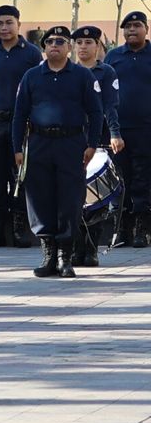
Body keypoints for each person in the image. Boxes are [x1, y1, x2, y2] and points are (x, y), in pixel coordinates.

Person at [14, 26, 103, 278]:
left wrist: (92, 144)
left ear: (68, 47)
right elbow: (19, 114)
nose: (55, 44)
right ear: (44, 47)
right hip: (39, 143)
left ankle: (65, 255)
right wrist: (17, 148)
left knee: (70, 198)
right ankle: (48, 254)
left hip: (71, 143)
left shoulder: (82, 76)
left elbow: (96, 113)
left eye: (61, 41)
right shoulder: (31, 76)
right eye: (50, 41)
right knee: (40, 198)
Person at [0, 5, 44, 249]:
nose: (4, 27)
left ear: (18, 23)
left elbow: (38, 87)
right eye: (0, 23)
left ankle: (19, 229)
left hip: (23, 124)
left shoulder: (32, 54)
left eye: (9, 22)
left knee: (20, 177)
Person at [72, 25, 119, 267]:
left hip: (98, 138)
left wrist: (115, 133)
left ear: (98, 46)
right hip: (72, 139)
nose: (83, 47)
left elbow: (110, 106)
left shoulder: (106, 72)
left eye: (88, 43)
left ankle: (91, 249)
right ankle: (76, 247)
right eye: (78, 43)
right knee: (74, 196)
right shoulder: (68, 72)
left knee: (97, 195)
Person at [105, 11, 150, 248]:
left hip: (146, 130)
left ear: (146, 29)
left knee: (143, 180)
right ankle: (121, 228)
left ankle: (141, 228)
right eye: (128, 27)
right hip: (119, 132)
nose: (132, 30)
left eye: (137, 26)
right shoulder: (113, 57)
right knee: (120, 180)